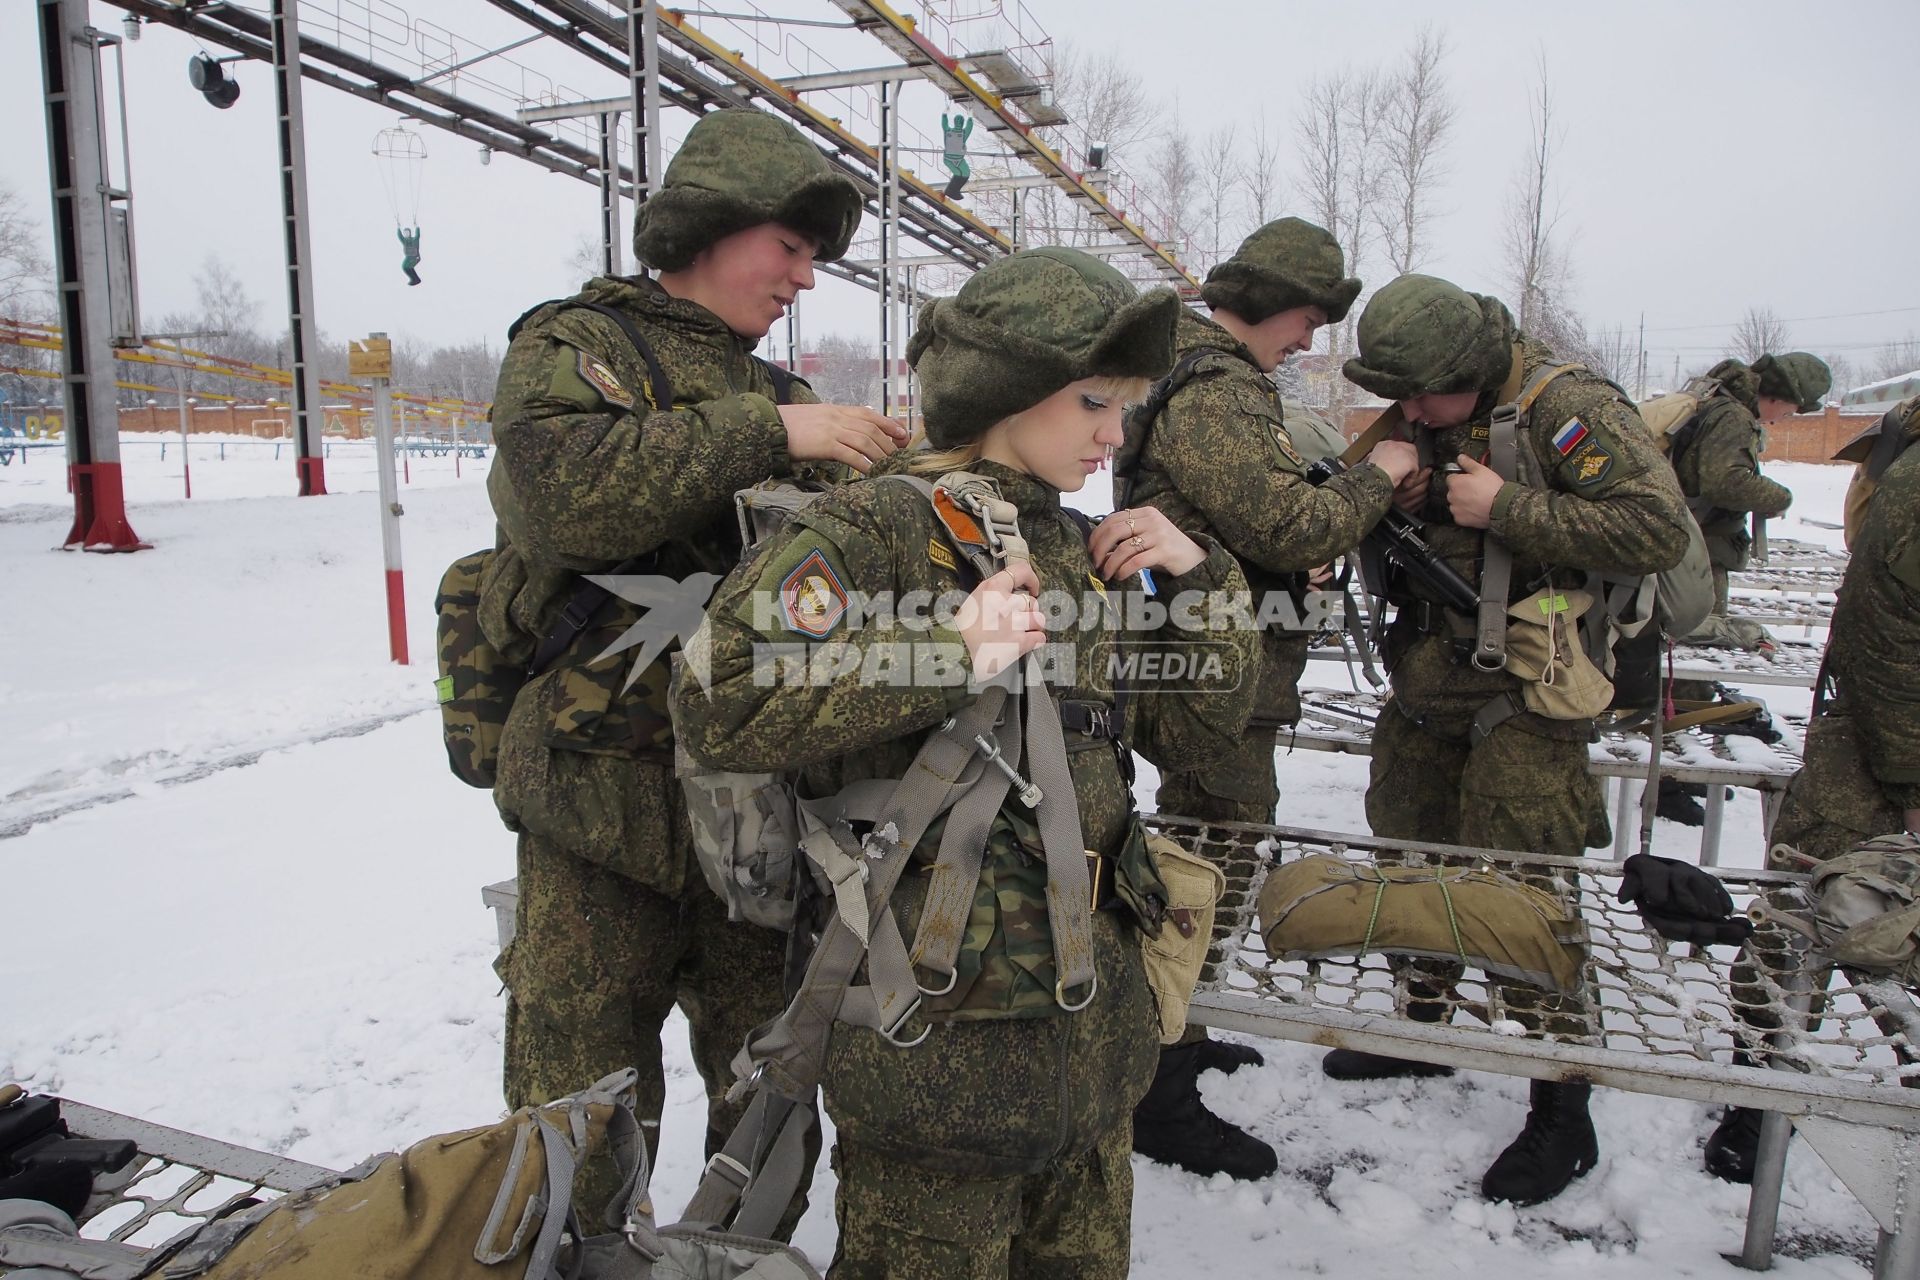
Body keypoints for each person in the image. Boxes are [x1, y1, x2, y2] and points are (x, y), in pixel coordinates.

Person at [676, 246, 1260, 1277]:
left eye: (1122, 405)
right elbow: (718, 695)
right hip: (936, 1075)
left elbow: (1194, 736)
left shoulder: (1083, 543)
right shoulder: (880, 526)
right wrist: (946, 652)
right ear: (1006, 387)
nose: (1114, 433)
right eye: (1091, 399)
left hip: (1091, 1058)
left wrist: (1204, 583)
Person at [482, 107, 904, 1218]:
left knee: (767, 1091)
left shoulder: (789, 399)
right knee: (572, 1109)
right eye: (792, 247)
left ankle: (738, 1253)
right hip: (597, 804)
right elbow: (563, 493)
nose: (805, 279)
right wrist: (779, 439)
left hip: (753, 824)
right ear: (715, 228)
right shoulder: (581, 346)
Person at [1330, 274, 1692, 1205]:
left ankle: (1561, 1112)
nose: (1408, 410)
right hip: (1427, 686)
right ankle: (1422, 1024)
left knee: (1527, 891)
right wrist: (1400, 494)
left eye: (1421, 394)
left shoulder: (1566, 406)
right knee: (1407, 852)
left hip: (1529, 696)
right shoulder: (1426, 408)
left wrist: (1513, 509)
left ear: (1470, 368)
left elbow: (1656, 526)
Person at [1120, 216, 1418, 1180]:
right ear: (1272, 303)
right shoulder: (1216, 390)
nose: (1308, 337)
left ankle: (1179, 1033)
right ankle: (1157, 1086)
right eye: (1306, 317)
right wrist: (1380, 475)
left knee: (1214, 844)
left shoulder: (1208, 378)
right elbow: (1288, 522)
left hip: (1221, 655)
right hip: (1212, 672)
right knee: (1215, 850)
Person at [1706, 395, 1920, 1182]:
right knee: (1800, 913)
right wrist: (1910, 778)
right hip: (1877, 747)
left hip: (1885, 741)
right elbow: (1888, 640)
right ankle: (1758, 1096)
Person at [1672, 351, 1830, 652]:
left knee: (1689, 641)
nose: (1783, 419)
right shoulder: (1733, 416)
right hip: (1698, 555)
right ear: (1780, 397)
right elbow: (1725, 482)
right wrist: (1779, 497)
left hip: (1693, 548)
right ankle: (1688, 699)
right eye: (1790, 412)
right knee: (1699, 642)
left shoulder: (1717, 400)